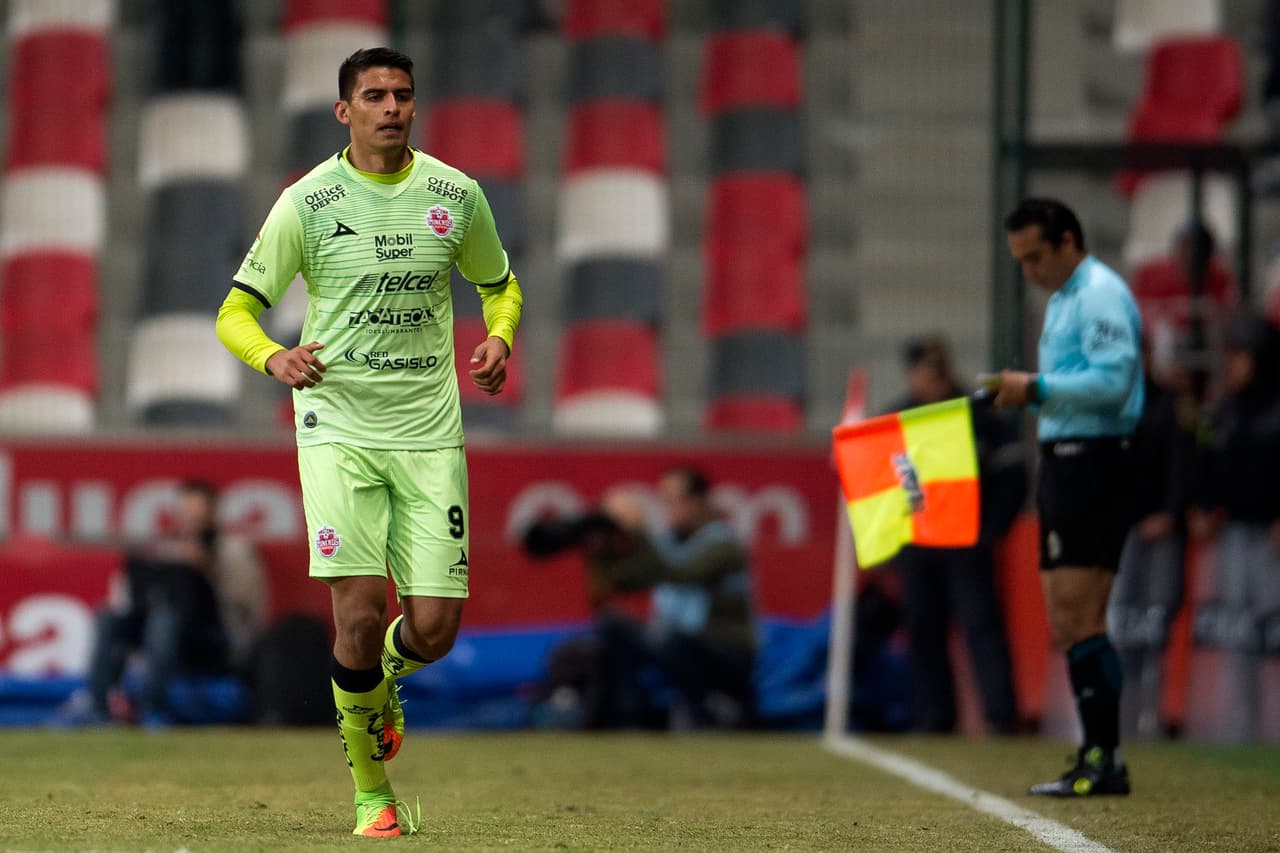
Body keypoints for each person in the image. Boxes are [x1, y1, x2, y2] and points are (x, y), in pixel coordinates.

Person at [215, 47, 523, 837]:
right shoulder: (308, 203)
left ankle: (380, 678)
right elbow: (235, 312)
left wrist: (500, 335)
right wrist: (273, 356)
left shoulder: (455, 195)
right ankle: (373, 796)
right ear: (344, 111)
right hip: (337, 428)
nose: (392, 107)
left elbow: (499, 283)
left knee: (434, 628)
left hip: (427, 433)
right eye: (375, 95)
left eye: (403, 95)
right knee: (356, 610)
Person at [994, 198, 1143, 797]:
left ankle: (1105, 756)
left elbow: (1115, 381)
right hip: (1063, 460)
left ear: (1067, 243)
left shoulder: (1101, 293)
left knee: (1082, 615)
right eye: (1020, 262)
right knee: (1065, 618)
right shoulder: (1061, 301)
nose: (1029, 271)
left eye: (1036, 257)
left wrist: (1037, 389)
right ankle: (1096, 752)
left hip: (1096, 461)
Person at [525, 469, 756, 730]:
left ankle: (702, 715)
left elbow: (677, 573)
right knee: (614, 625)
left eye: (671, 502)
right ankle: (630, 719)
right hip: (683, 642)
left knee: (664, 636)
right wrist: (600, 545)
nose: (666, 510)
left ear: (697, 502)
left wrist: (640, 531)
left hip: (728, 649)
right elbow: (624, 583)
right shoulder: (672, 542)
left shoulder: (722, 543)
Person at [890, 335, 1025, 735]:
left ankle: (1001, 716)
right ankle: (935, 717)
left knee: (981, 626)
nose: (935, 382)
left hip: (967, 543)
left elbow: (1013, 476)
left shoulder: (981, 416)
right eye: (927, 374)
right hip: (919, 544)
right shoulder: (894, 421)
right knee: (923, 629)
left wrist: (992, 529)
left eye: (940, 374)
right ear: (911, 376)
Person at [67, 480, 265, 727]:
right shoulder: (162, 550)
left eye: (198, 514)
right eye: (186, 513)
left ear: (213, 515)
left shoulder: (234, 551)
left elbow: (245, 608)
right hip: (159, 632)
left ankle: (153, 707)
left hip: (211, 635)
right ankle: (97, 706)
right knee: (108, 618)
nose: (191, 521)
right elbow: (128, 597)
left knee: (166, 618)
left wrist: (207, 570)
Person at [1189, 310, 1280, 742]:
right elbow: (1209, 466)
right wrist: (1204, 507)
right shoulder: (1223, 411)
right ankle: (1244, 724)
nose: (1232, 364)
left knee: (1273, 632)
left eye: (1241, 354)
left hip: (1271, 536)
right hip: (1233, 535)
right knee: (1239, 634)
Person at [1106, 335, 1196, 738]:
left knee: (1156, 622)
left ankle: (1152, 716)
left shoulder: (1170, 403)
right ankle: (1122, 719)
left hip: (1160, 531)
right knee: (1123, 624)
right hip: (1123, 529)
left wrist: (1170, 514)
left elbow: (1182, 461)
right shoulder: (1110, 406)